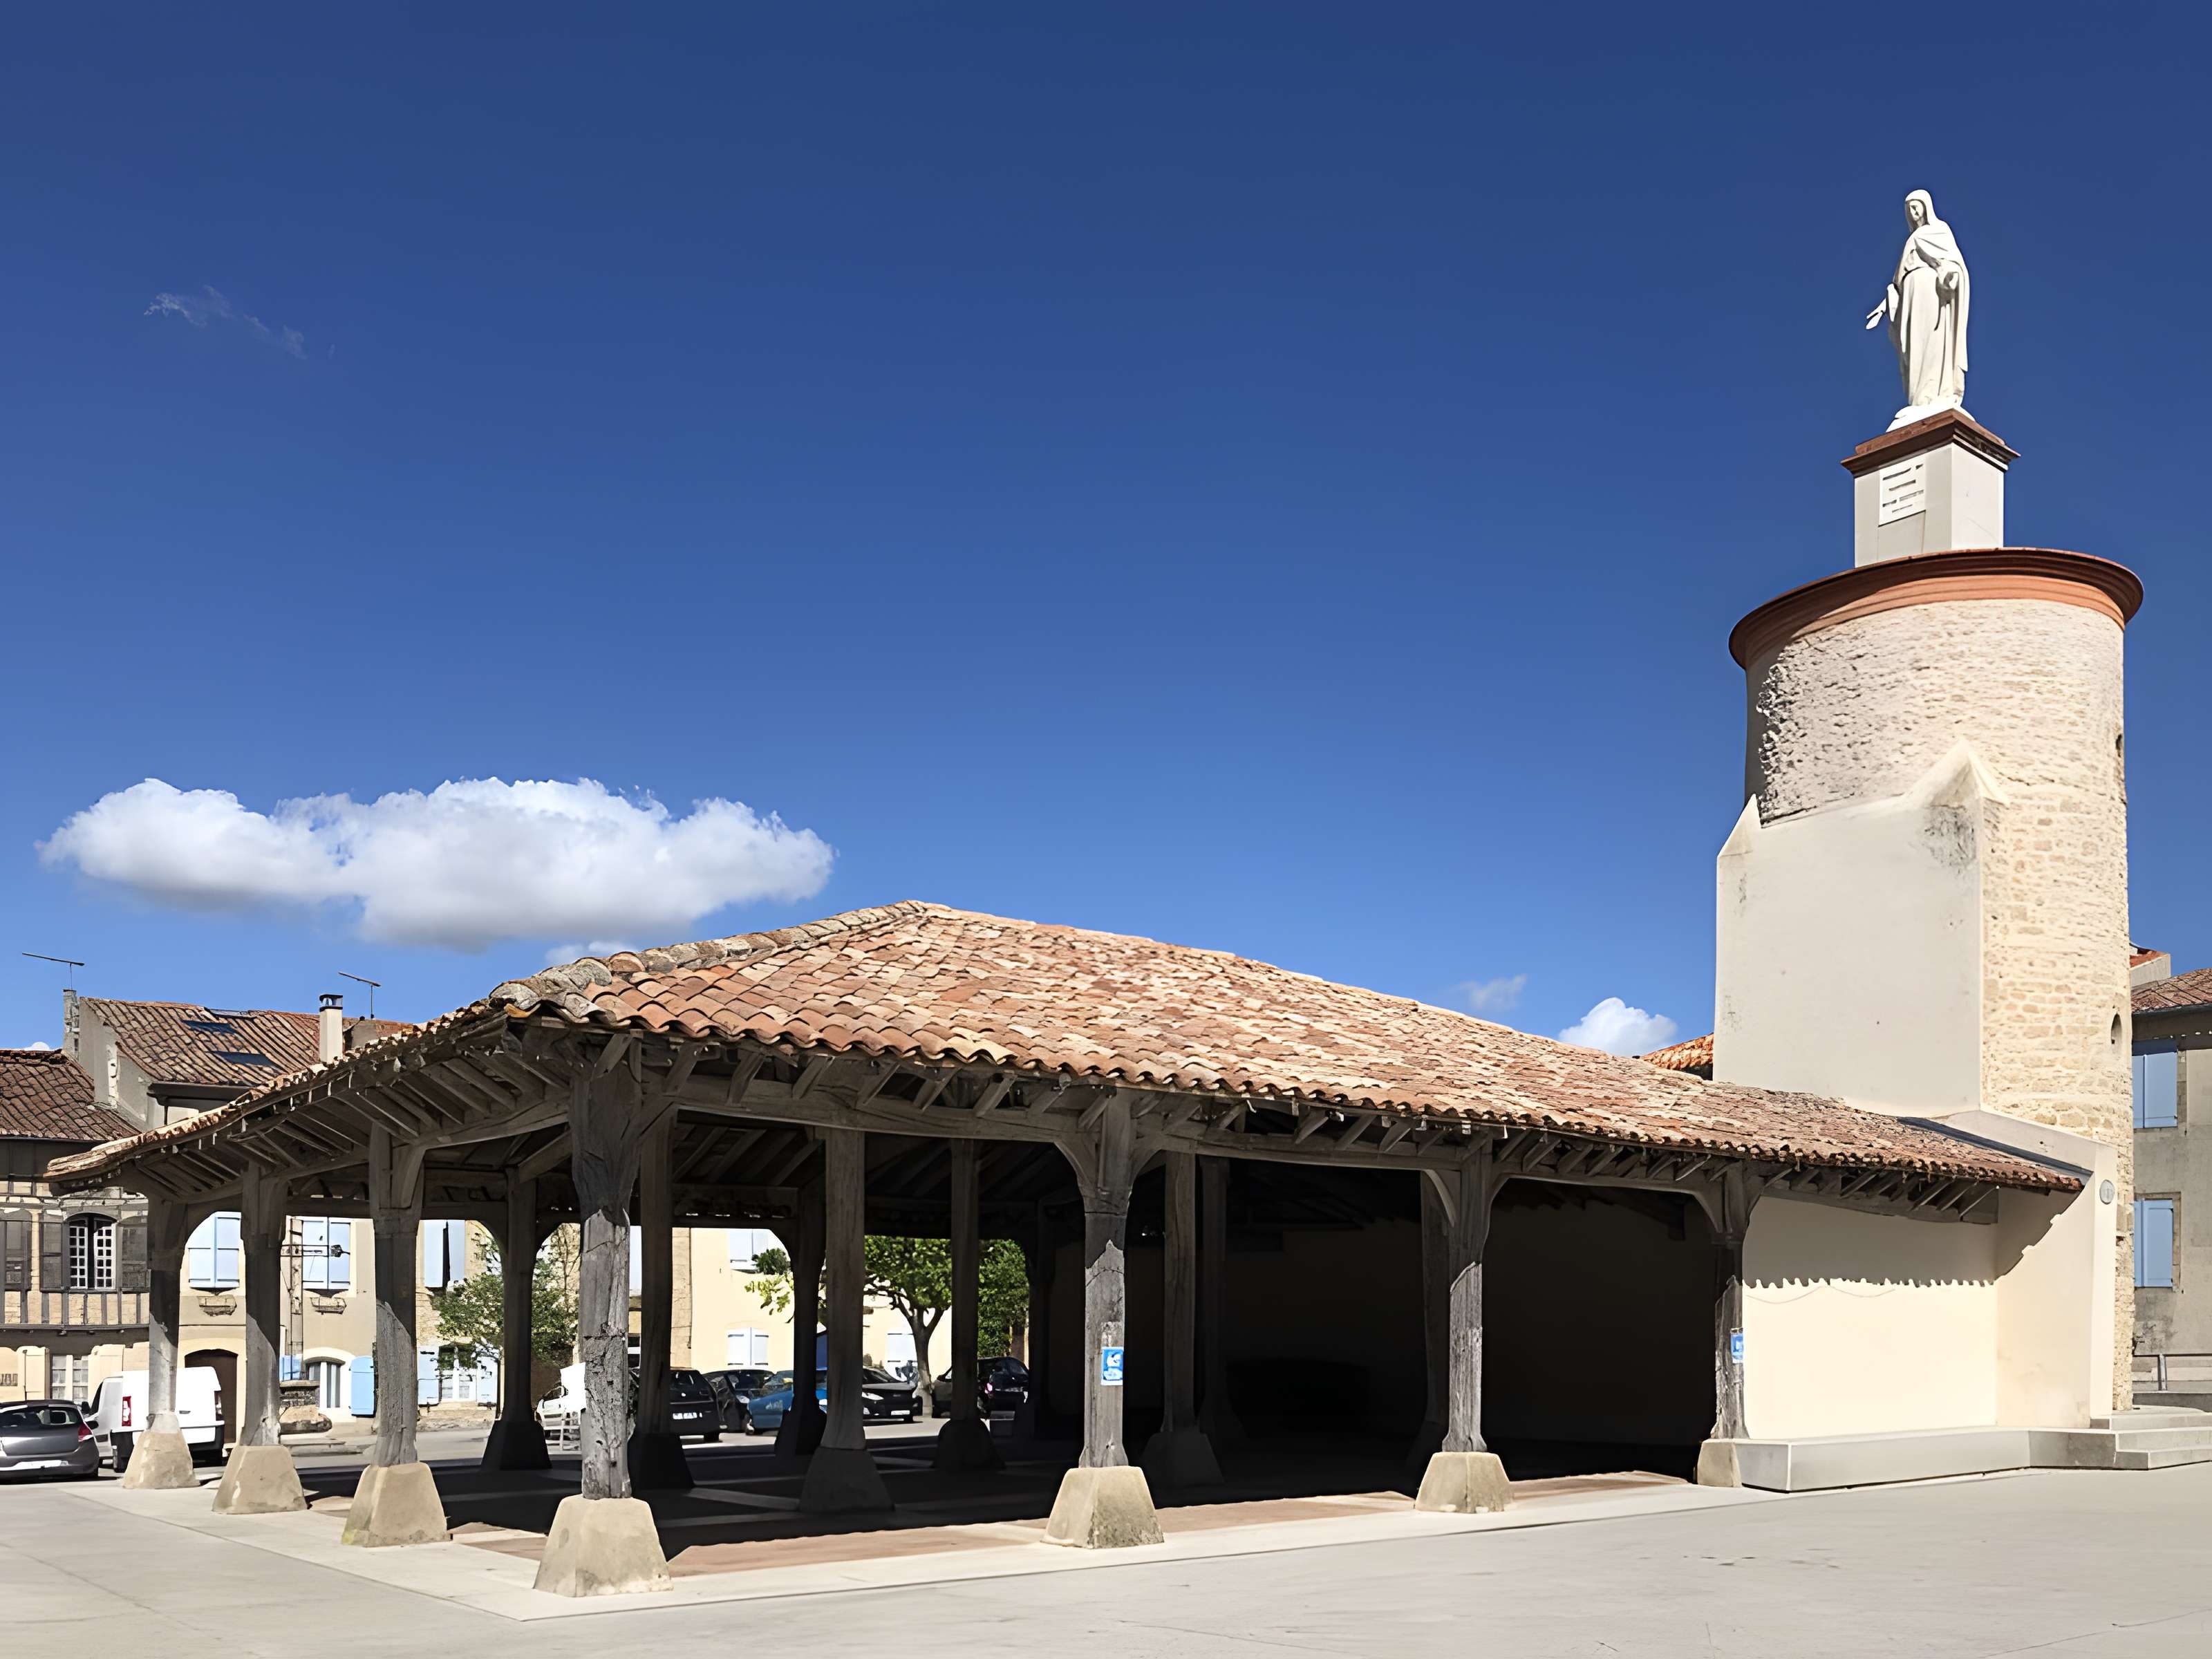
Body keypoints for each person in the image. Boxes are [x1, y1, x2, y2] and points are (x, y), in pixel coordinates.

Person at [1865, 189, 1969, 422]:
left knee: (1932, 340)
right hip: (1911, 295)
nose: (1913, 213)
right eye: (1909, 209)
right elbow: (1898, 282)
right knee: (1913, 344)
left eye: (1917, 207)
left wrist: (1950, 276)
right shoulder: (1911, 241)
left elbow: (1953, 264)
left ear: (1926, 207)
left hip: (1931, 291)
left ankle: (1933, 395)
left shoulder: (1940, 231)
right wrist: (1885, 305)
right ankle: (1918, 398)